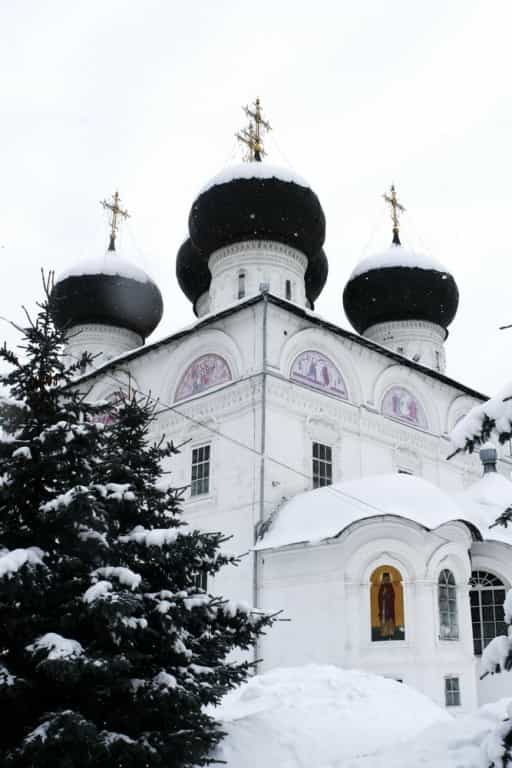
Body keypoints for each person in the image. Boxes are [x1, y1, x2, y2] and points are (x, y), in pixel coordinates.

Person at [378, 572, 396, 639]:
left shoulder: (390, 586)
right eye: (384, 578)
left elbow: (393, 595)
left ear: (389, 578)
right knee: (384, 619)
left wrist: (387, 595)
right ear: (382, 578)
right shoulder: (382, 586)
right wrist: (383, 595)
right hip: (383, 606)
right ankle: (384, 633)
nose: (386, 579)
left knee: (390, 619)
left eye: (387, 578)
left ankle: (391, 633)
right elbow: (379, 597)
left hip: (390, 606)